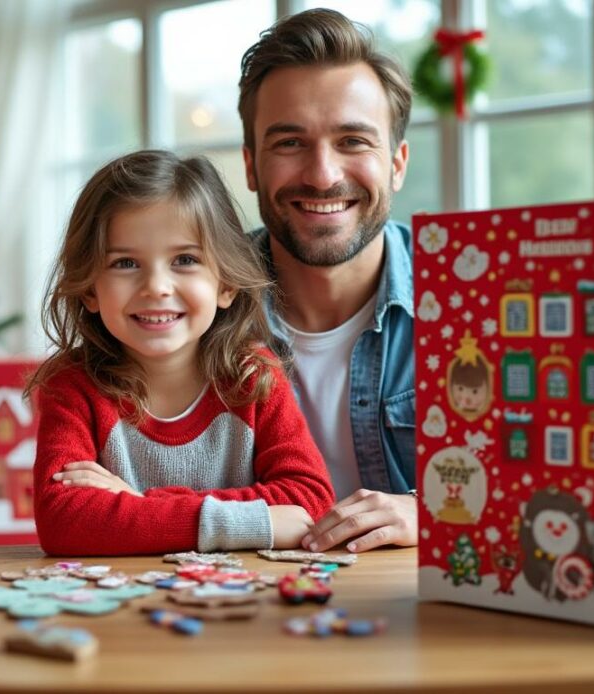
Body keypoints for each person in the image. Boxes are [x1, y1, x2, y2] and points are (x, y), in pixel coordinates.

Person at [27, 150, 335, 556]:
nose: (156, 287)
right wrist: (249, 521)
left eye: (185, 260)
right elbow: (62, 522)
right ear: (89, 289)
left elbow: (309, 503)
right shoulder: (72, 386)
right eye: (125, 263)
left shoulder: (253, 376)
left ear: (226, 284)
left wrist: (137, 503)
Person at [238, 8, 417, 552]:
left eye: (353, 141)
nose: (322, 175)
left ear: (397, 163)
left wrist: (436, 513)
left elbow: (556, 485)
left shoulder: (477, 300)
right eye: (289, 143)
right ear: (251, 166)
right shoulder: (189, 307)